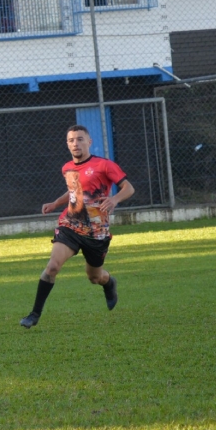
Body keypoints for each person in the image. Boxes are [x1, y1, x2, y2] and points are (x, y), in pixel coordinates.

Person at [21, 124, 134, 329]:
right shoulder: (67, 168)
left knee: (94, 277)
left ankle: (109, 282)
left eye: (80, 139)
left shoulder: (104, 165)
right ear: (67, 144)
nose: (76, 143)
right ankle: (34, 314)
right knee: (52, 266)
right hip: (70, 225)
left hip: (96, 233)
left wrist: (115, 199)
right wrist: (56, 203)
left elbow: (129, 188)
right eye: (71, 140)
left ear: (89, 142)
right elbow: (75, 191)